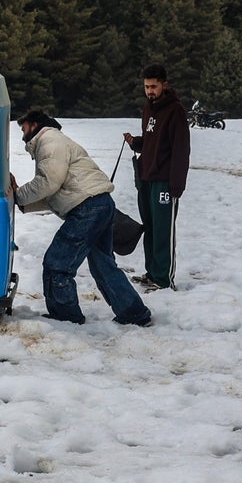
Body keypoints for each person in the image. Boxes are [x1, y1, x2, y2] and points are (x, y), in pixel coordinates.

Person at [12, 109, 152, 326]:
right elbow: (56, 191)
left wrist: (17, 195)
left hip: (87, 209)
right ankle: (134, 313)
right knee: (103, 265)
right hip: (99, 204)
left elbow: (49, 182)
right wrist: (22, 202)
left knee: (57, 263)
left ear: (34, 124)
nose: (22, 134)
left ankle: (65, 317)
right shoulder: (52, 141)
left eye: (23, 128)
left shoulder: (48, 140)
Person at [122, 64, 190, 290]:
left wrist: (176, 186)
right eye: (146, 87)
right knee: (149, 228)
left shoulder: (175, 111)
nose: (149, 91)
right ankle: (151, 273)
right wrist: (137, 142)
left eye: (153, 86)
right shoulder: (148, 108)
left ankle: (163, 279)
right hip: (147, 179)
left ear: (164, 85)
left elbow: (181, 150)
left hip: (165, 181)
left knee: (163, 231)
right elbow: (153, 143)